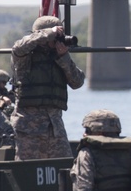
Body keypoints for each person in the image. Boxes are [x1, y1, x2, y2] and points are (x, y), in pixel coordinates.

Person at [10, 15, 85, 160]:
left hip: (55, 128)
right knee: (27, 172)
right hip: (28, 128)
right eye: (55, 37)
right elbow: (18, 47)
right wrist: (49, 33)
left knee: (64, 169)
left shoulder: (59, 57)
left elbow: (77, 82)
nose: (57, 40)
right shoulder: (24, 56)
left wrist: (64, 57)